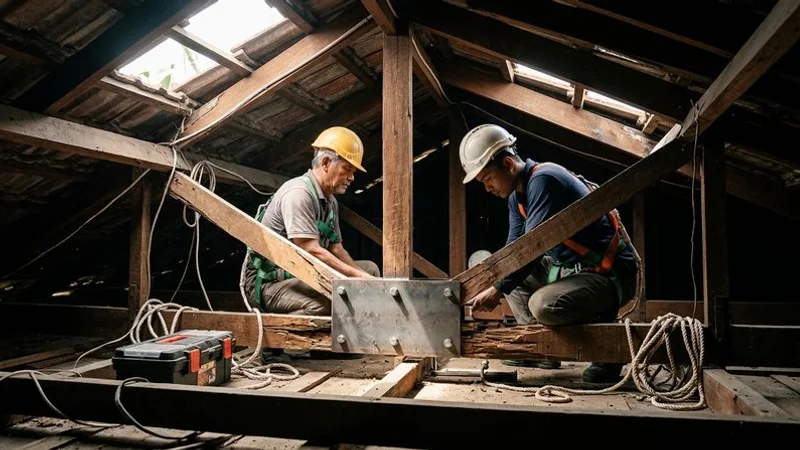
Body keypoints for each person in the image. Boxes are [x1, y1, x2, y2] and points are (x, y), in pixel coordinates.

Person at [458, 124, 639, 383]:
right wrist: (490, 282)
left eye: (488, 179)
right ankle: (542, 348)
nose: (487, 188)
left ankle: (609, 348)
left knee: (542, 305)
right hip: (572, 270)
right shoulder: (516, 198)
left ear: (508, 164)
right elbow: (514, 249)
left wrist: (498, 288)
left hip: (609, 274)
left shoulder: (544, 180)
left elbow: (531, 247)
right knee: (507, 278)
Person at [241, 126, 381, 317]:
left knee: (370, 270)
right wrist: (357, 277)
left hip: (305, 276)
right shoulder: (299, 193)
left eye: (353, 171)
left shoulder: (330, 201)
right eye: (347, 169)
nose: (351, 177)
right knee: (331, 301)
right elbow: (311, 249)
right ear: (325, 163)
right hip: (269, 284)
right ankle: (285, 343)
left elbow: (336, 249)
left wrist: (362, 276)